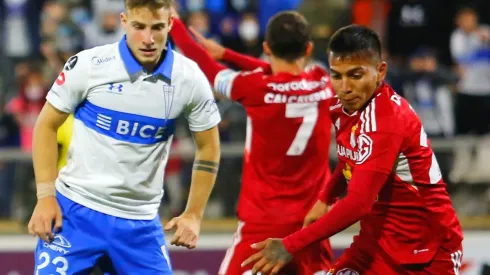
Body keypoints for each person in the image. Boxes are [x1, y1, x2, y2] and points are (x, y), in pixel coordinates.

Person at [243, 25, 464, 275]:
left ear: (380, 71)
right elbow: (352, 160)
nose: (345, 87)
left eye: (355, 75)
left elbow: (358, 204)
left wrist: (290, 245)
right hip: (375, 240)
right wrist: (326, 197)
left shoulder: (386, 121)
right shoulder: (342, 107)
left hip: (427, 251)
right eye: (337, 75)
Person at [28, 0, 222, 274]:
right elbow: (46, 126)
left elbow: (209, 146)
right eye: (139, 27)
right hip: (75, 213)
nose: (148, 39)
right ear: (123, 21)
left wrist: (194, 214)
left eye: (157, 27)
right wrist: (45, 196)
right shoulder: (89, 64)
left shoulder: (189, 79)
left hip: (139, 224)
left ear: (170, 25)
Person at [170, 10, 334, 275]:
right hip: (312, 226)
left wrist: (173, 23)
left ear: (266, 47)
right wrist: (227, 53)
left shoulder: (255, 88)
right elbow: (275, 70)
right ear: (309, 48)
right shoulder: (322, 82)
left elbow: (205, 66)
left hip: (263, 224)